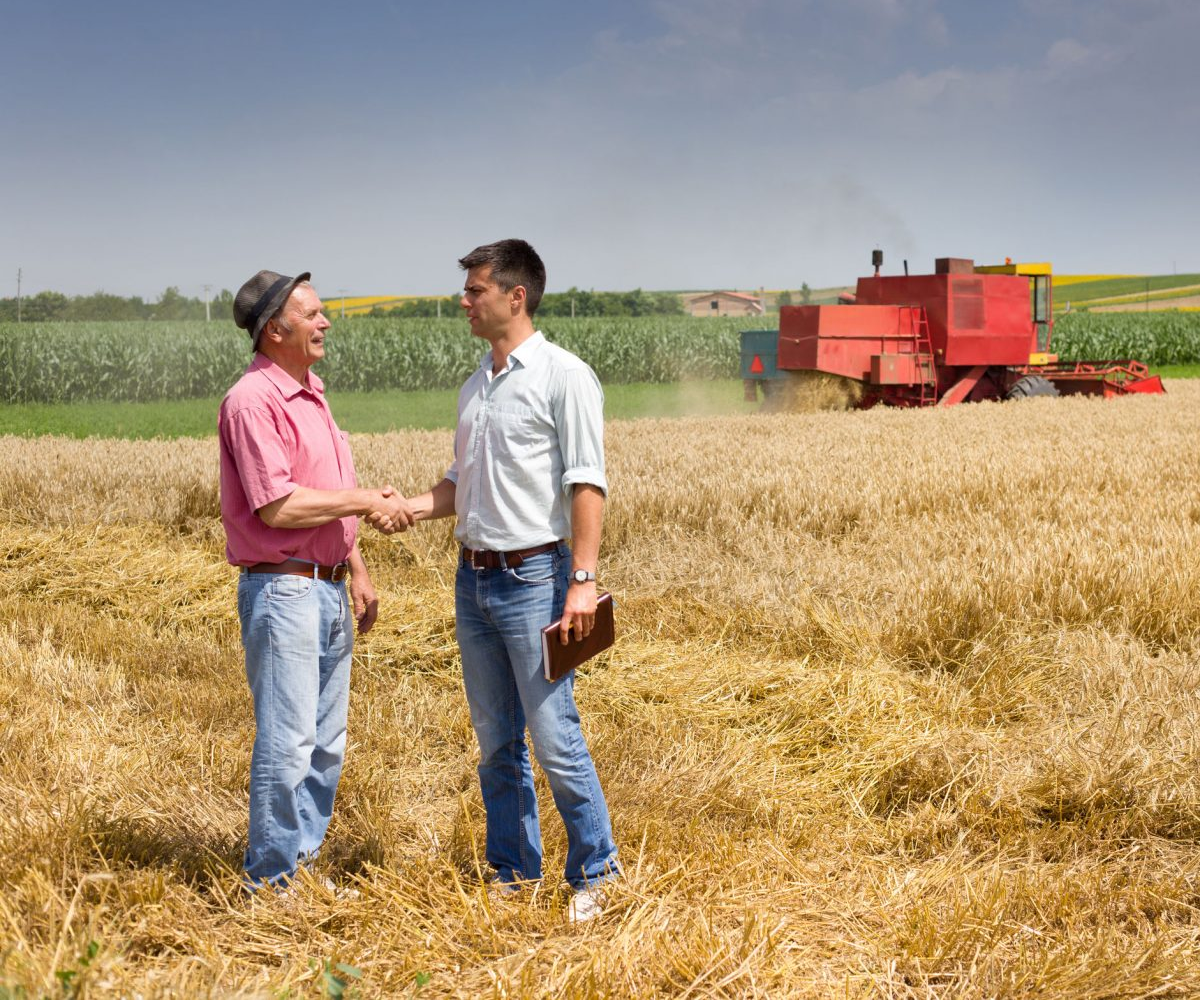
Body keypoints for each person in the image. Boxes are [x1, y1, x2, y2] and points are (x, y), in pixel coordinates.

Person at [408, 239, 619, 922]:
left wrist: (581, 582)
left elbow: (586, 483)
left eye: (476, 290)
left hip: (535, 578)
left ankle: (598, 872)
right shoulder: (476, 385)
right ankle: (512, 873)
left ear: (515, 296)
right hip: (472, 581)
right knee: (496, 739)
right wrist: (413, 508)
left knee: (554, 734)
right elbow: (459, 482)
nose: (464, 301)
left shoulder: (564, 376)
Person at [219, 269, 412, 890]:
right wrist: (363, 499)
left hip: (324, 586)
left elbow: (323, 490)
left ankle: (298, 861)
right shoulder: (253, 401)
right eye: (313, 314)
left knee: (326, 744)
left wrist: (355, 567)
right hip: (284, 590)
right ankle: (270, 881)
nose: (325, 322)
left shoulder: (312, 392)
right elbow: (278, 507)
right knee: (290, 742)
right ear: (276, 329)